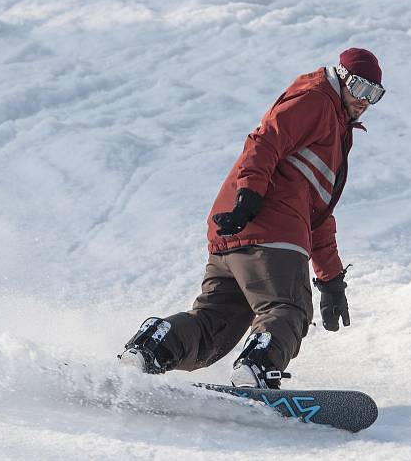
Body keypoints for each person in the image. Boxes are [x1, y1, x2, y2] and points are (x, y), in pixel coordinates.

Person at [118, 48, 386, 389]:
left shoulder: (333, 124)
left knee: (213, 329)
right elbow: (264, 141)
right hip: (268, 227)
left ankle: (151, 347)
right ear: (342, 78)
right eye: (361, 88)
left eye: (375, 95)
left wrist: (331, 281)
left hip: (234, 232)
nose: (365, 101)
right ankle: (258, 368)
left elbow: (317, 214)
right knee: (287, 308)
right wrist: (249, 195)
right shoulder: (318, 101)